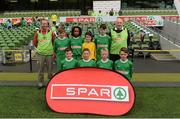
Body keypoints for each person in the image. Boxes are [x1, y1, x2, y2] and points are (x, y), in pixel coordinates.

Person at [33, 19, 55, 89]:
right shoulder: (37, 33)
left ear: (48, 24)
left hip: (49, 54)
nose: (44, 25)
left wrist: (52, 51)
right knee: (40, 69)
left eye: (46, 24)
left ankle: (50, 82)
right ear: (41, 24)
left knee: (50, 70)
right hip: (40, 54)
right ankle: (40, 82)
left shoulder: (51, 33)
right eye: (43, 24)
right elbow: (35, 43)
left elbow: (54, 42)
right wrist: (40, 49)